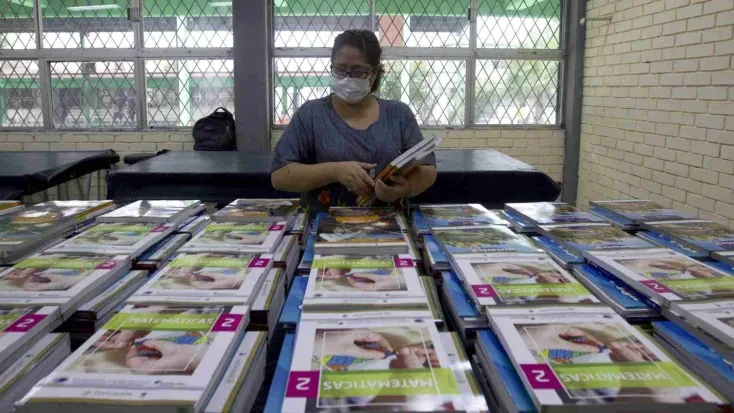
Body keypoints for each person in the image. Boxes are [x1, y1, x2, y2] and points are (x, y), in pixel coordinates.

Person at [271, 30, 437, 213]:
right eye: (340, 69)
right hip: (324, 232)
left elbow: (428, 169)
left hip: (389, 230)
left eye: (358, 71)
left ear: (374, 73)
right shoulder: (311, 114)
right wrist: (335, 171)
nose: (347, 78)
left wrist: (404, 188)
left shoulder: (398, 114)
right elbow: (279, 176)